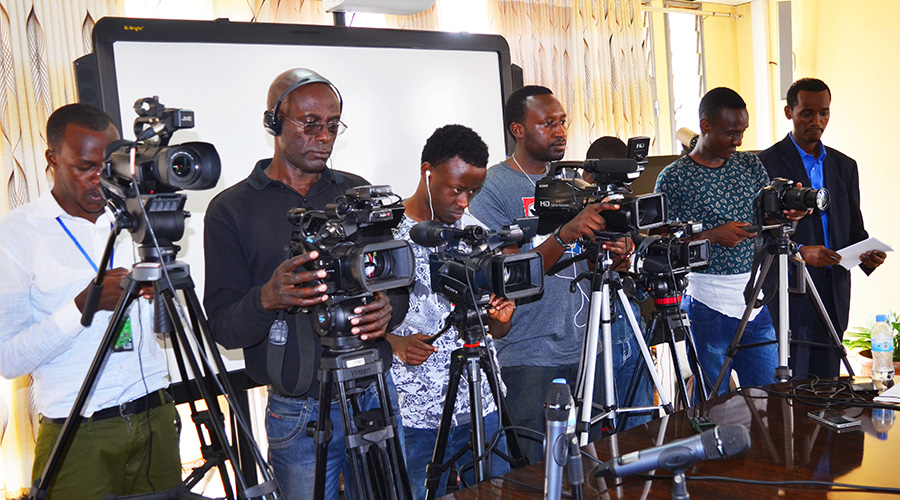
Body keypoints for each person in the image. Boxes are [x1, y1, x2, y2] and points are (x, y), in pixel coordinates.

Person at [203, 68, 408, 500]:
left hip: (372, 391)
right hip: (297, 411)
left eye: (333, 125)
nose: (324, 136)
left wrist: (389, 307)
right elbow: (222, 327)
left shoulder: (358, 194)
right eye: (310, 123)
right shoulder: (231, 209)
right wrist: (267, 298)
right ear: (274, 123)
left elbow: (397, 282)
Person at [0, 103, 180, 499]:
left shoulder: (140, 220)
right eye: (84, 167)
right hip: (77, 434)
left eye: (109, 165)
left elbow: (176, 328)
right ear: (52, 159)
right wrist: (85, 305)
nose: (100, 180)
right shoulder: (17, 235)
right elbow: (8, 360)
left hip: (155, 416)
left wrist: (159, 298)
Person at [468, 85, 625, 462]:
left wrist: (617, 254)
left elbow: (594, 265)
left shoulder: (579, 184)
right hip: (528, 352)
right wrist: (564, 233)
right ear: (518, 129)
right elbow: (508, 276)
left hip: (588, 346)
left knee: (592, 463)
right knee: (537, 471)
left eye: (562, 122)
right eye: (547, 123)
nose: (559, 131)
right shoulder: (490, 188)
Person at [388, 124, 515, 499]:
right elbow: (353, 319)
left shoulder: (475, 232)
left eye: (472, 192)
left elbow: (499, 329)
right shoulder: (387, 236)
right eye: (456, 189)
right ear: (427, 172)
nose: (464, 202)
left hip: (484, 403)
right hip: (418, 415)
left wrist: (501, 316)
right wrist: (394, 342)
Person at [654, 88, 802, 396]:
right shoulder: (674, 178)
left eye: (742, 132)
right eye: (731, 133)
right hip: (707, 305)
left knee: (768, 397)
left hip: (753, 300)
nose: (738, 141)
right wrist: (711, 236)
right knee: (714, 400)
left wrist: (792, 216)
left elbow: (770, 221)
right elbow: (661, 243)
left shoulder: (749, 166)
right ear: (706, 126)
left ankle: (764, 446)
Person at [758, 78, 886, 378]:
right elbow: (758, 233)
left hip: (835, 288)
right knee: (794, 387)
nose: (817, 121)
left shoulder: (845, 166)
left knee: (828, 385)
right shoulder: (765, 164)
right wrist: (800, 252)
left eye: (824, 113)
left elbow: (854, 227)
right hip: (792, 289)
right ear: (789, 112)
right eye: (807, 113)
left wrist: (867, 253)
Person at [584, 136, 653, 429]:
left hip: (630, 324)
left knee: (641, 425)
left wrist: (631, 255)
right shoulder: (578, 211)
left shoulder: (625, 210)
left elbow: (639, 284)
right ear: (590, 176)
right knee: (596, 429)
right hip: (592, 336)